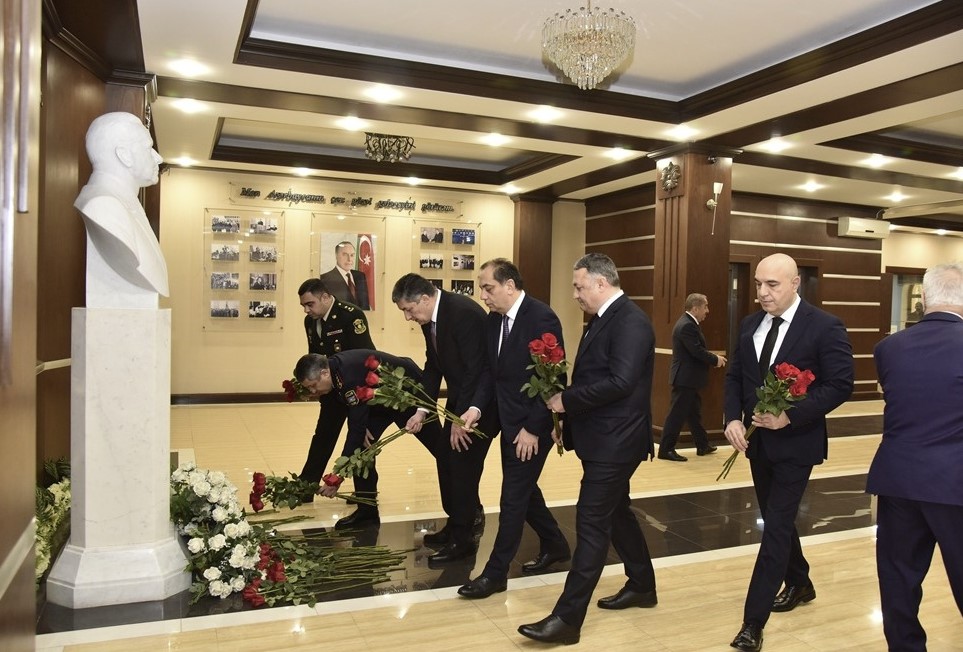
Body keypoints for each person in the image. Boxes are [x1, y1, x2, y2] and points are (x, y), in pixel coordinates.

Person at [518, 253, 657, 646]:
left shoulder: (630, 321)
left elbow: (621, 382)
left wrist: (567, 401)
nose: (575, 294)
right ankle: (642, 584)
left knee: (591, 522)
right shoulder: (604, 318)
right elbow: (597, 377)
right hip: (603, 438)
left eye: (579, 287)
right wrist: (571, 421)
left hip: (617, 442)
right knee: (616, 512)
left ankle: (567, 619)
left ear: (601, 282)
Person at [723, 253, 854, 651]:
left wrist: (790, 416)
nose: (762, 293)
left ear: (795, 283)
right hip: (757, 443)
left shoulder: (825, 326)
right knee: (776, 518)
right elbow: (735, 375)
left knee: (776, 526)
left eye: (772, 285)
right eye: (758, 284)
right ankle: (800, 581)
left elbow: (840, 384)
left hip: (797, 444)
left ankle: (752, 622)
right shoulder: (750, 324)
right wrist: (731, 418)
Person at [457, 259, 571, 600]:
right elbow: (490, 373)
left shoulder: (542, 318)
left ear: (510, 285)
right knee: (524, 490)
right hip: (507, 421)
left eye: (488, 288)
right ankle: (555, 543)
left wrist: (534, 429)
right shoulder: (495, 321)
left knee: (512, 497)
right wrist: (476, 408)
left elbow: (554, 380)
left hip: (533, 426)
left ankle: (495, 574)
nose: (483, 296)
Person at [867, 262, 963, 652]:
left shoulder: (888, 348)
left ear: (923, 297)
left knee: (898, 581)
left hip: (898, 480)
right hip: (954, 483)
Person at [391, 273, 496, 565]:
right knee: (446, 459)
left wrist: (461, 419)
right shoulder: (431, 319)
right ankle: (456, 523)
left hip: (479, 405)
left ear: (425, 299)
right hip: (459, 400)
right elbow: (433, 366)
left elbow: (477, 369)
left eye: (409, 310)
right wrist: (422, 410)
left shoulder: (462, 313)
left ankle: (464, 539)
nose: (408, 317)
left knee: (462, 466)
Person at [295, 351, 448, 529]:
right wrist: (360, 425)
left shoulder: (348, 376)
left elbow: (355, 431)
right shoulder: (335, 374)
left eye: (313, 386)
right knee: (362, 450)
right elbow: (356, 422)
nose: (313, 392)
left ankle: (467, 507)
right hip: (380, 401)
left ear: (324, 373)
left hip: (410, 396)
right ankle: (367, 512)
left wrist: (337, 476)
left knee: (442, 451)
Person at [74, 112, 168, 309]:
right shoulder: (102, 206)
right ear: (124, 155)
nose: (158, 158)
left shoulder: (125, 204)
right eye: (148, 148)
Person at [297, 278, 374, 490]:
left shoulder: (351, 315)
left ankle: (365, 494)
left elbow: (366, 358)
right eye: (303, 305)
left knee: (361, 440)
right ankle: (307, 486)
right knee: (323, 436)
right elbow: (314, 357)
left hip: (356, 391)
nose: (306, 310)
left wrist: (365, 400)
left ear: (325, 297)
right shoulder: (310, 322)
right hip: (331, 391)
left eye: (309, 304)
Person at [658, 293, 727, 461]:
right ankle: (666, 449)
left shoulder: (688, 323)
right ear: (695, 308)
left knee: (693, 413)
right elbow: (696, 351)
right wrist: (715, 359)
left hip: (689, 378)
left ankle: (702, 445)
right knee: (676, 415)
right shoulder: (687, 326)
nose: (707, 311)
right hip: (685, 378)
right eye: (705, 307)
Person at [320, 241, 371, 309]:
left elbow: (365, 306)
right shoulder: (324, 279)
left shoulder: (360, 276)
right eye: (345, 255)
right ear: (336, 255)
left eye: (352, 255)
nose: (349, 259)